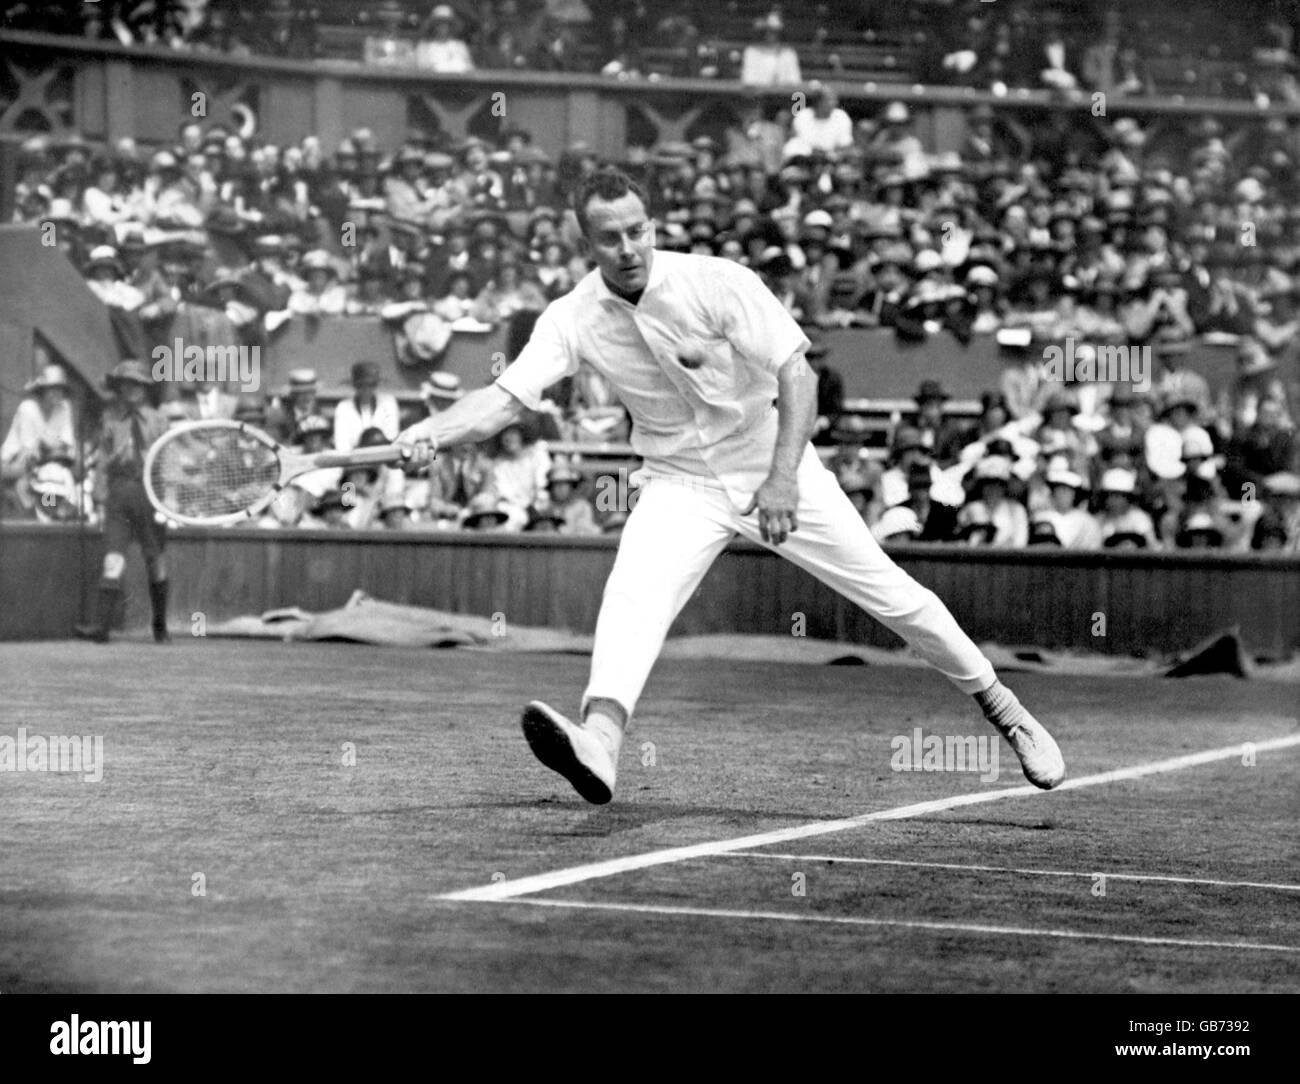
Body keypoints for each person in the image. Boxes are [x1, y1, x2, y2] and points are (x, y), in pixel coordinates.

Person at [397, 166, 1064, 804]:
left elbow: (796, 375)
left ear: (652, 226)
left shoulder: (717, 281)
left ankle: (1007, 714)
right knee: (632, 595)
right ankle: (599, 741)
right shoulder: (572, 316)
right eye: (610, 237)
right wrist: (429, 434)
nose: (627, 248)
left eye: (637, 230)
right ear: (587, 241)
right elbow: (506, 400)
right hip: (678, 483)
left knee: (895, 597)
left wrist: (779, 480)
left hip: (773, 461)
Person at [75, 361, 172, 644]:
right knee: (113, 559)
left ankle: (160, 627)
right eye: (125, 384)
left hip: (149, 494)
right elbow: (103, 461)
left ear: (144, 388)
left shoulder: (158, 420)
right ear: (119, 389)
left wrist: (167, 501)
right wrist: (98, 494)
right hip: (119, 494)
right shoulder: (111, 419)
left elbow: (166, 461)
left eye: (136, 384)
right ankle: (102, 629)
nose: (130, 389)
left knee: (156, 559)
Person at [334, 360, 400, 453]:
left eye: (371, 385)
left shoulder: (389, 403)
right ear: (355, 385)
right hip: (353, 460)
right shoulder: (343, 408)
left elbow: (391, 436)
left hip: (384, 457)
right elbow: (341, 444)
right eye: (361, 385)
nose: (366, 389)